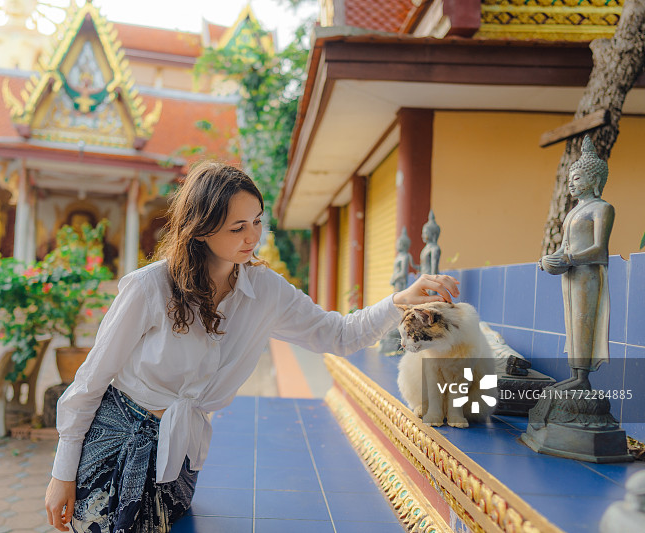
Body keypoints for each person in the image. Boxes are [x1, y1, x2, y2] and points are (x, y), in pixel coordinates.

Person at [45, 161, 460, 532]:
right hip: (118, 446)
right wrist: (61, 474)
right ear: (202, 230)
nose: (253, 237)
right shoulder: (149, 287)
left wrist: (398, 301)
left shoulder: (266, 292)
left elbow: (339, 334)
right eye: (237, 227)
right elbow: (90, 381)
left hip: (180, 456)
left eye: (257, 221)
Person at [538, 136, 614, 391]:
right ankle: (574, 374)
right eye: (570, 179)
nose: (571, 183)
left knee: (584, 320)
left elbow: (599, 250)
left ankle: (582, 378)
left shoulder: (602, 209)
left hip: (588, 275)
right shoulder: (573, 211)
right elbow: (565, 246)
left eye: (578, 178)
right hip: (570, 275)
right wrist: (549, 260)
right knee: (571, 323)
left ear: (594, 180)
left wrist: (569, 259)